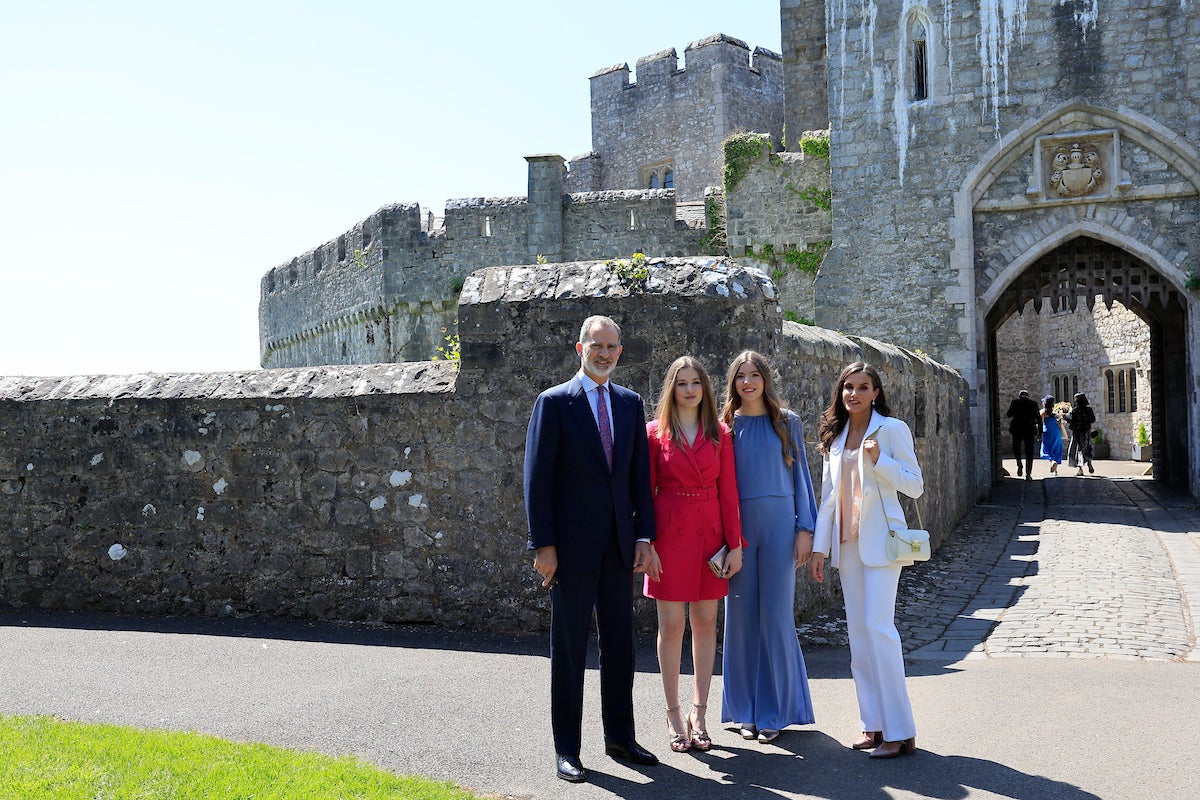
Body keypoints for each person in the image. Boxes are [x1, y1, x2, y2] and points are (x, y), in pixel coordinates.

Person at [524, 315, 661, 783]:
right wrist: (544, 545)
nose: (604, 353)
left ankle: (620, 737)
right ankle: (568, 750)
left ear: (620, 351)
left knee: (620, 647)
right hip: (570, 548)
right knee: (569, 649)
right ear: (579, 348)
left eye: (612, 346)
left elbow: (639, 478)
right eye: (596, 345)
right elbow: (537, 481)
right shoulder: (554, 403)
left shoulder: (629, 403)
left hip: (621, 546)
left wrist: (645, 536)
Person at [809, 362, 924, 759]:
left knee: (879, 628)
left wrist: (882, 462)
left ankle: (899, 729)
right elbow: (828, 498)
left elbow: (915, 485)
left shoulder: (891, 430)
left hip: (884, 544)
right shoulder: (836, 437)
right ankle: (872, 723)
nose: (854, 394)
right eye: (847, 387)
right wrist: (820, 548)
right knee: (858, 634)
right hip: (848, 545)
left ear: (876, 392)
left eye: (862, 387)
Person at [643, 356, 743, 753]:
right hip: (668, 536)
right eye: (681, 383)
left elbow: (730, 492)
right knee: (670, 627)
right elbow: (644, 495)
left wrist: (735, 545)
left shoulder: (720, 433)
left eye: (696, 383)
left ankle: (699, 712)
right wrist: (645, 543)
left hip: (710, 537)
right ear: (672, 389)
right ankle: (672, 713)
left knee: (704, 623)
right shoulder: (654, 434)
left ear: (705, 389)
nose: (689, 390)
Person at [719, 350, 817, 744]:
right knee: (740, 619)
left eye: (754, 374)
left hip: (780, 529)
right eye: (740, 375)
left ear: (765, 379)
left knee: (776, 618)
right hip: (738, 531)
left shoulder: (786, 422)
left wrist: (805, 529)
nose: (747, 382)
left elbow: (802, 479)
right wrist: (726, 539)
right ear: (733, 382)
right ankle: (745, 710)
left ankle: (776, 710)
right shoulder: (724, 425)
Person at [1005, 389, 1041, 479]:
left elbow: (1009, 414)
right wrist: (1040, 432)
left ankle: (1019, 463)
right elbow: (1038, 418)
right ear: (1028, 396)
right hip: (1029, 429)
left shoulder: (1015, 402)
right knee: (1029, 451)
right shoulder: (1033, 404)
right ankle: (1028, 474)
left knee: (1016, 447)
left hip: (1017, 428)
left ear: (1019, 396)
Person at [1065, 392, 1096, 476]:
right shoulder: (1089, 409)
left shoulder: (1075, 410)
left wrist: (1065, 417)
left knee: (1078, 449)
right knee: (1087, 447)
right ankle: (1089, 462)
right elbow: (1093, 420)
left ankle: (1080, 469)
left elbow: (1072, 421)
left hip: (1077, 433)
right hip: (1086, 431)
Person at [1039, 395, 1063, 475]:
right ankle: (1055, 469)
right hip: (1056, 432)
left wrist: (1039, 434)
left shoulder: (1042, 413)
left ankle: (1053, 462)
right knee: (1056, 449)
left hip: (1047, 432)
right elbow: (1059, 421)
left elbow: (1041, 424)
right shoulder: (1055, 413)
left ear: (1045, 403)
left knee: (1046, 450)